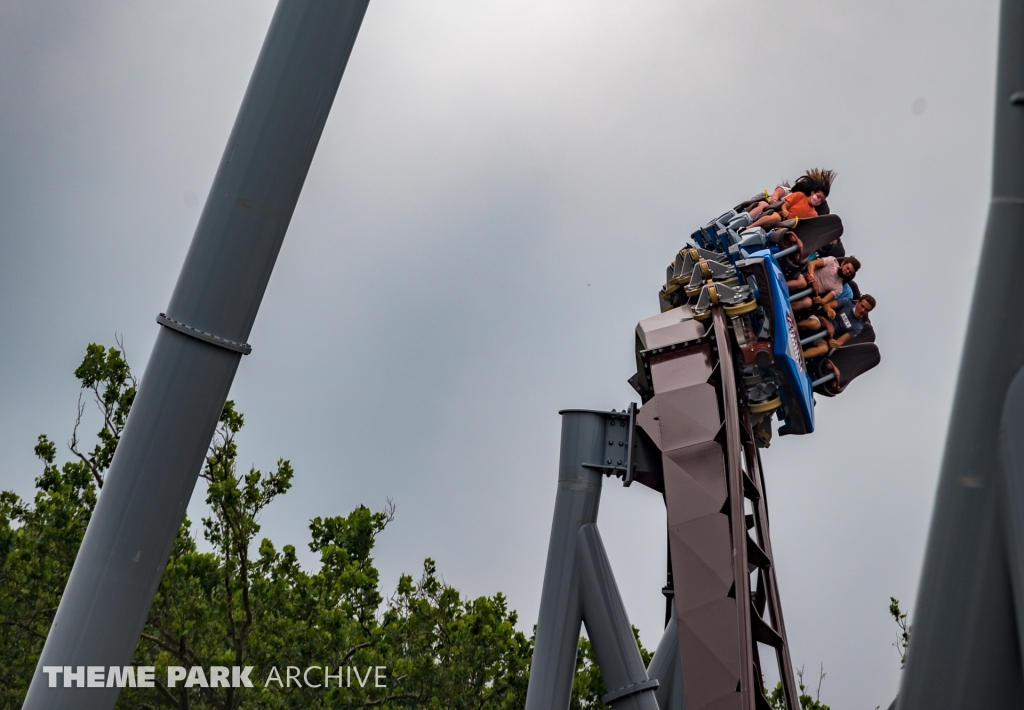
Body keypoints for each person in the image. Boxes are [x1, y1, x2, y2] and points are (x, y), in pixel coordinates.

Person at [747, 168, 836, 231]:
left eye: (822, 199)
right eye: (819, 197)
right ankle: (748, 223)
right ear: (812, 193)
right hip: (771, 208)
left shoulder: (813, 213)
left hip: (787, 225)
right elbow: (779, 195)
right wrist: (775, 201)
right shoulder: (794, 194)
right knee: (766, 207)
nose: (819, 200)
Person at [798, 294, 876, 359]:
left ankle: (798, 357)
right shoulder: (847, 302)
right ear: (858, 302)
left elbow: (840, 341)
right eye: (862, 306)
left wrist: (835, 343)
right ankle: (793, 325)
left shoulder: (858, 326)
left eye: (866, 310)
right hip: (820, 322)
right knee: (813, 324)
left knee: (823, 349)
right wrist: (829, 310)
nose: (862, 310)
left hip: (827, 336)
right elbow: (827, 305)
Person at [788, 255, 860, 311]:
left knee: (808, 303)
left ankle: (787, 308)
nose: (847, 271)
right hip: (806, 278)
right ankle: (780, 286)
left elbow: (824, 301)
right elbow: (812, 264)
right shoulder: (832, 261)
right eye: (847, 268)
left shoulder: (839, 288)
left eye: (850, 272)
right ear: (843, 263)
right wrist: (812, 276)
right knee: (802, 283)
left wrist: (819, 300)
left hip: (812, 293)